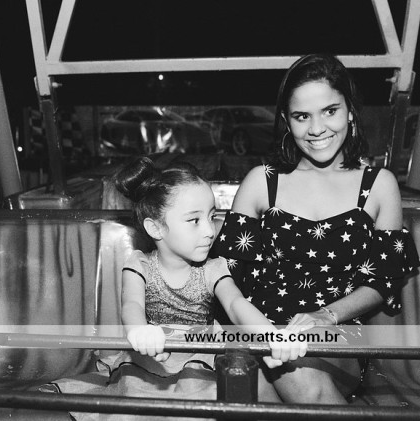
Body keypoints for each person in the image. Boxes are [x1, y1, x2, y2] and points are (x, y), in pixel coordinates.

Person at [211, 53, 420, 404]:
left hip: (336, 334)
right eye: (302, 116)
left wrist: (326, 315)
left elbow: (383, 280)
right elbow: (225, 272)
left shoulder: (378, 185)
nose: (317, 128)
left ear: (350, 111)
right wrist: (259, 330)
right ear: (286, 120)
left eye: (330, 111)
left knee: (298, 370)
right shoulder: (262, 182)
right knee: (246, 381)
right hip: (258, 332)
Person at [48, 157, 305, 419]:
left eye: (212, 216)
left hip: (204, 357)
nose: (209, 230)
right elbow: (132, 305)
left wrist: (270, 334)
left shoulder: (213, 268)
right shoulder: (140, 265)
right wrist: (139, 331)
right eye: (194, 220)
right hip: (154, 358)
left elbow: (235, 304)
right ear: (155, 228)